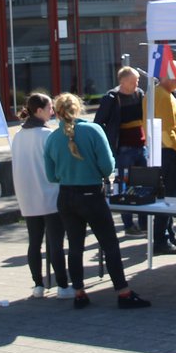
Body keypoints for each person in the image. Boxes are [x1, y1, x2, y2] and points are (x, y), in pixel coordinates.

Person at [44, 93, 150, 310]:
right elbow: (108, 166)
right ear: (79, 108)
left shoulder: (53, 138)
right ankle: (123, 292)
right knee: (109, 244)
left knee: (74, 246)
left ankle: (79, 293)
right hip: (91, 195)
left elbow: (51, 175)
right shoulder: (92, 130)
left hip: (66, 195)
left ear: (56, 112)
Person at [11, 93, 73, 300]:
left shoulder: (18, 136)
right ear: (39, 111)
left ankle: (38, 285)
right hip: (50, 194)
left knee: (34, 242)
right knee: (55, 243)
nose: (52, 111)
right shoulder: (47, 135)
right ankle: (63, 286)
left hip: (27, 196)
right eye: (49, 108)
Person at [94, 66, 148, 236]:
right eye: (133, 81)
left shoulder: (139, 94)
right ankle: (128, 225)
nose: (136, 83)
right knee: (123, 185)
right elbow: (99, 122)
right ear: (122, 81)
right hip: (123, 149)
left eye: (137, 80)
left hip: (141, 146)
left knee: (143, 185)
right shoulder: (111, 98)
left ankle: (144, 223)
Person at [143, 61, 176, 255]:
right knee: (167, 196)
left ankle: (167, 234)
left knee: (168, 196)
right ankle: (162, 239)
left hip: (165, 150)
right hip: (168, 152)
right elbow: (164, 128)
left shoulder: (160, 94)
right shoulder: (161, 95)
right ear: (168, 76)